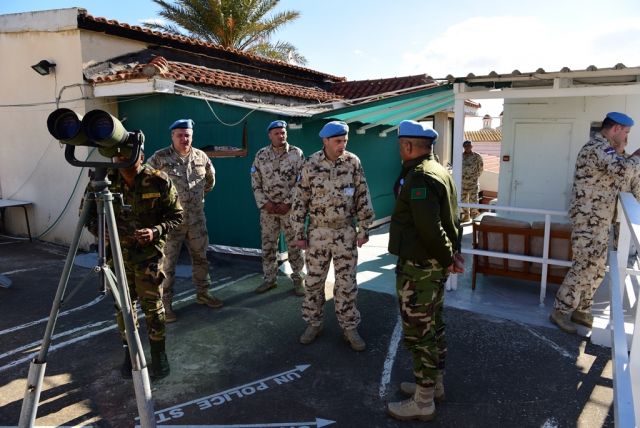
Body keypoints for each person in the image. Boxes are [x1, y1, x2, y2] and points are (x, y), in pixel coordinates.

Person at [85, 144, 184, 381]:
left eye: (128, 156)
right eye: (118, 156)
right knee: (123, 308)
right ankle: (131, 354)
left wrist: (155, 230)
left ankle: (159, 355)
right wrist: (99, 230)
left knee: (153, 308)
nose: (122, 160)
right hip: (117, 257)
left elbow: (176, 216)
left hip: (149, 257)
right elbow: (87, 215)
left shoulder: (159, 180)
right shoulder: (103, 181)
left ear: (141, 156)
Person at [386, 120, 464, 421]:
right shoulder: (439, 170)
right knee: (434, 326)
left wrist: (447, 258)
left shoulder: (420, 177)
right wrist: (452, 254)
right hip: (431, 266)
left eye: (399, 146)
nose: (399, 151)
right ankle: (434, 386)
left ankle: (423, 401)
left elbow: (430, 228)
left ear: (408, 146)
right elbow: (452, 220)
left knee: (420, 334)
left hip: (420, 268)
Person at [550, 112, 640, 334]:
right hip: (587, 220)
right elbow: (622, 171)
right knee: (583, 266)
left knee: (597, 268)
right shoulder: (596, 148)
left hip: (600, 220)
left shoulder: (611, 151)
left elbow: (626, 176)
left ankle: (582, 310)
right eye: (626, 132)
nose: (627, 137)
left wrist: (627, 155)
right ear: (616, 129)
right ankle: (560, 311)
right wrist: (637, 157)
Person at [290, 121, 375, 352]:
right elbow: (300, 200)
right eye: (338, 141)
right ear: (325, 141)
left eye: (345, 141)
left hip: (345, 233)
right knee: (313, 282)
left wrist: (364, 228)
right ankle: (314, 323)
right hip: (317, 233)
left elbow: (362, 195)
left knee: (347, 284)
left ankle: (349, 327)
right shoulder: (311, 164)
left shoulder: (353, 162)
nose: (342, 145)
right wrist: (299, 233)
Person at [147, 119, 222, 323]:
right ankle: (165, 304)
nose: (184, 139)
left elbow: (210, 182)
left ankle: (203, 293)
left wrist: (194, 201)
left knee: (201, 258)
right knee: (166, 264)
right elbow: (145, 184)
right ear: (172, 136)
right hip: (170, 222)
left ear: (192, 136)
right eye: (179, 135)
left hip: (196, 220)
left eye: (187, 135)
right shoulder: (159, 158)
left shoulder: (201, 157)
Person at [250, 120, 306, 295]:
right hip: (268, 210)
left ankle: (298, 278)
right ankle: (269, 279)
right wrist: (265, 203)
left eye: (283, 132)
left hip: (290, 210)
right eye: (277, 133)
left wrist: (288, 202)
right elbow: (255, 182)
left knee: (295, 245)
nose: (281, 136)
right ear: (270, 135)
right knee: (268, 246)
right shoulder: (261, 155)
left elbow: (302, 181)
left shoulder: (296, 153)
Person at [460, 140, 483, 222]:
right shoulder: (460, 156)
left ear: (471, 147)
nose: (467, 148)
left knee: (474, 200)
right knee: (463, 200)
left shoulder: (477, 156)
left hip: (473, 183)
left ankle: (475, 217)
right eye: (465, 146)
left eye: (469, 146)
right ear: (463, 147)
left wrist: (474, 177)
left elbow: (480, 168)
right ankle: (466, 216)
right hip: (463, 183)